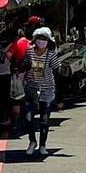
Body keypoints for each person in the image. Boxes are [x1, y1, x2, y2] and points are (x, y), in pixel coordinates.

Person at [27, 27, 59, 158]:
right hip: (32, 89)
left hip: (47, 90)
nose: (41, 41)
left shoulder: (51, 54)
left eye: (44, 39)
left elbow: (57, 72)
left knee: (44, 120)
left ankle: (42, 145)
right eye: (39, 38)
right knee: (28, 118)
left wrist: (60, 97)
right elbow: (23, 64)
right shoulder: (29, 52)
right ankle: (32, 141)